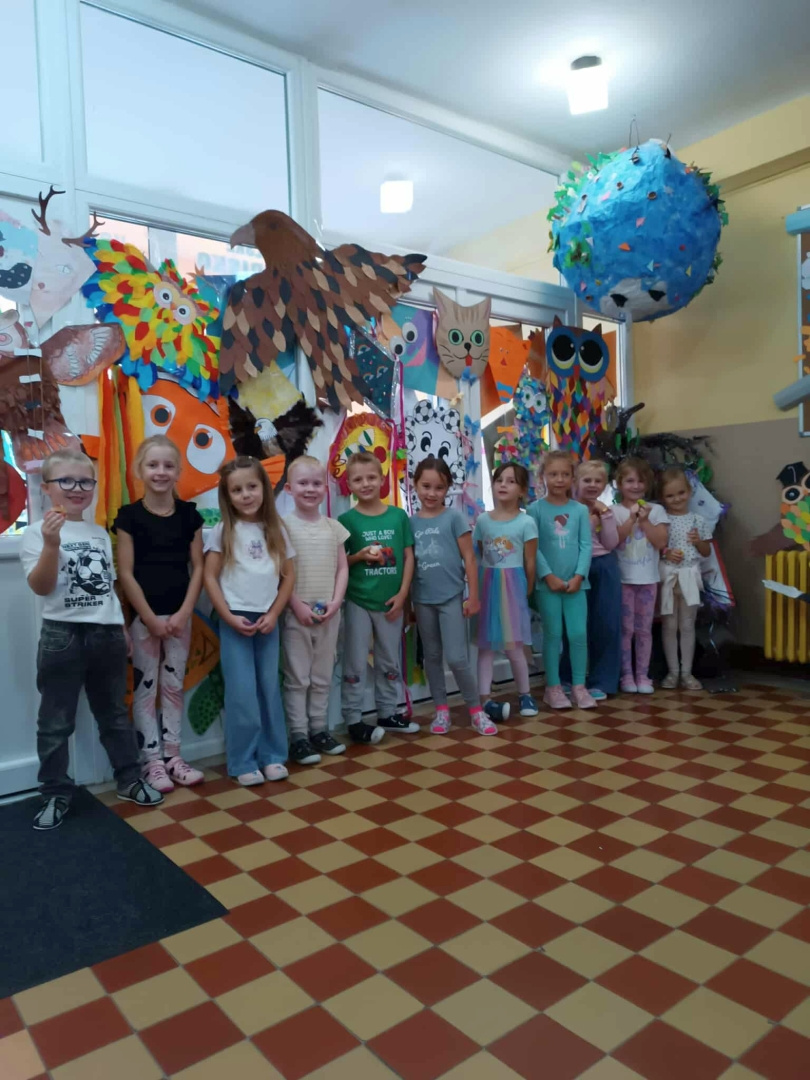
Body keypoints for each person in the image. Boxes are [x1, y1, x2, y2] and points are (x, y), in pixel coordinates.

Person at [20, 449, 163, 830]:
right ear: (47, 488)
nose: (77, 488)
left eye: (85, 481)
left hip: (107, 635)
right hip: (61, 635)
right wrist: (51, 544)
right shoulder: (36, 533)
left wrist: (121, 628)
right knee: (55, 722)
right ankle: (55, 793)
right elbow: (41, 587)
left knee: (114, 714)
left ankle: (129, 779)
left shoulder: (99, 532)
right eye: (66, 480)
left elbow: (107, 587)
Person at [115, 435, 205, 792]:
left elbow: (198, 567)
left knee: (173, 687)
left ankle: (173, 757)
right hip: (144, 619)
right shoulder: (129, 517)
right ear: (140, 470)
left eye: (168, 465)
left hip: (180, 617)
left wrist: (184, 613)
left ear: (178, 471)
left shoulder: (189, 516)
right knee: (145, 688)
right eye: (153, 465)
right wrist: (149, 618)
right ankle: (151, 761)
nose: (161, 472)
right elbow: (125, 573)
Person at [203, 456, 294, 786]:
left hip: (268, 620)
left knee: (269, 688)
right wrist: (228, 617)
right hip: (234, 622)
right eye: (237, 490)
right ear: (227, 496)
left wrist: (274, 613)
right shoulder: (222, 532)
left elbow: (288, 576)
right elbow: (210, 577)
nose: (246, 495)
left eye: (252, 486)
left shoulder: (277, 530)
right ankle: (243, 760)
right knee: (242, 693)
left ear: (264, 488)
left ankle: (272, 756)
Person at [410, 457, 495, 736]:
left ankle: (476, 711)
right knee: (432, 656)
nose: (432, 493)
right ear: (415, 485)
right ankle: (441, 710)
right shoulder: (410, 523)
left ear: (447, 489)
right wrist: (408, 602)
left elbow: (469, 558)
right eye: (426, 486)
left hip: (451, 598)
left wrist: (473, 597)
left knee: (457, 658)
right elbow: (408, 564)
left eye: (439, 487)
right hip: (422, 600)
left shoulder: (454, 518)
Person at [339, 450, 416, 742]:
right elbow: (340, 563)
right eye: (358, 479)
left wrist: (403, 594)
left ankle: (388, 712)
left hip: (391, 602)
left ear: (383, 479)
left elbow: (408, 557)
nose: (366, 484)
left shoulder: (398, 516)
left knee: (389, 660)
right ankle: (353, 719)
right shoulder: (346, 520)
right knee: (355, 662)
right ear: (349, 484)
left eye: (371, 477)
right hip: (357, 601)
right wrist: (359, 556)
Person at [281, 455, 349, 764]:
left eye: (316, 483)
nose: (310, 489)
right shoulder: (283, 527)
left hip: (329, 613)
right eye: (303, 483)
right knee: (298, 677)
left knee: (322, 675)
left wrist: (336, 601)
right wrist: (295, 604)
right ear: (289, 489)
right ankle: (298, 735)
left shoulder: (334, 528)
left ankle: (319, 729)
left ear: (326, 488)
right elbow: (281, 572)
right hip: (297, 613)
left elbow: (342, 568)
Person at [528, 451, 595, 710]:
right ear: (543, 476)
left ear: (572, 478)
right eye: (553, 474)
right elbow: (534, 547)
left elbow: (586, 545)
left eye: (565, 474)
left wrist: (579, 576)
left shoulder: (579, 510)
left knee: (578, 633)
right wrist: (548, 576)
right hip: (548, 585)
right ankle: (553, 687)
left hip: (577, 585)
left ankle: (579, 686)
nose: (559, 479)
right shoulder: (535, 510)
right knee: (553, 635)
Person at [474, 462, 538, 722]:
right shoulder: (483, 520)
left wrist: (526, 591)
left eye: (511, 481)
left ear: (522, 490)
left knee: (514, 646)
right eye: (499, 480)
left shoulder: (526, 522)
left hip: (513, 587)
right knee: (486, 646)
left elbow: (530, 561)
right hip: (487, 585)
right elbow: (480, 553)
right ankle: (483, 698)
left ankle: (525, 694)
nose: (503, 485)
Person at [560, 459, 622, 699]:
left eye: (598, 481)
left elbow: (611, 543)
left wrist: (604, 515)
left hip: (603, 566)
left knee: (606, 624)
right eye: (587, 480)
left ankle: (602, 681)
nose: (593, 485)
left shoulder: (605, 510)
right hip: (574, 568)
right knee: (573, 626)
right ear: (576, 482)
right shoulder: (568, 509)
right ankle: (567, 677)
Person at [613, 456, 668, 694]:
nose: (636, 486)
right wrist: (631, 519)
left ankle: (643, 675)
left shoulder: (657, 510)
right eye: (630, 481)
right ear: (619, 484)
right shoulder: (614, 511)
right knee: (625, 630)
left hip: (648, 580)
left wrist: (644, 521)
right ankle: (626, 675)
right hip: (623, 580)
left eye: (641, 481)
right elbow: (613, 540)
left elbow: (661, 542)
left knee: (644, 629)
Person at [658, 467, 713, 690]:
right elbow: (656, 546)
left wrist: (698, 542)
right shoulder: (662, 520)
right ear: (663, 498)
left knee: (687, 625)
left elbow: (706, 551)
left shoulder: (698, 520)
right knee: (669, 625)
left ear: (689, 492)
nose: (677, 499)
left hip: (690, 576)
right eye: (670, 495)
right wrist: (666, 552)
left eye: (681, 493)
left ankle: (687, 673)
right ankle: (672, 673)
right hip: (669, 576)